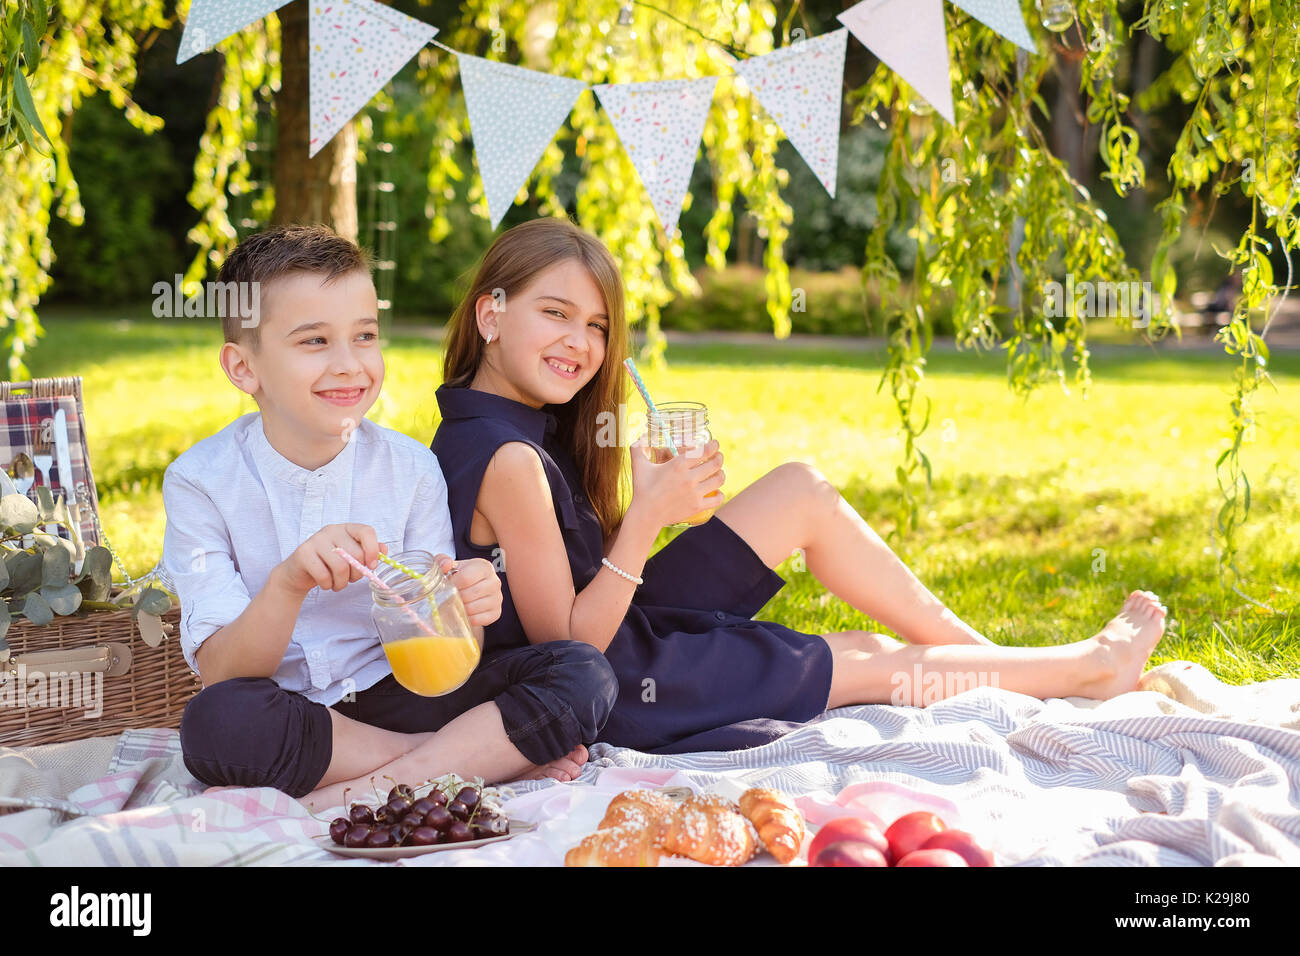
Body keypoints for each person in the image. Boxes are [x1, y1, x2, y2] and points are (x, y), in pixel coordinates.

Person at [430, 216, 1169, 754]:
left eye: (596, 324)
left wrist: (648, 502)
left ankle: (1011, 669)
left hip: (620, 624)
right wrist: (651, 515)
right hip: (618, 684)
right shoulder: (508, 458)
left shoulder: (507, 424)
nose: (581, 343)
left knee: (799, 490)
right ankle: (1085, 669)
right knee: (863, 659)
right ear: (490, 313)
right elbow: (572, 648)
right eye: (554, 314)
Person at [161, 224, 616, 808]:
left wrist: (467, 610)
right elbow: (223, 668)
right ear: (244, 368)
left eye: (365, 336)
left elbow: (446, 652)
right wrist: (289, 581)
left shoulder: (411, 468)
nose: (350, 365)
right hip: (293, 713)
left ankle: (358, 793)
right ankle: (454, 760)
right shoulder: (200, 480)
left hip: (399, 692)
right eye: (314, 342)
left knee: (583, 674)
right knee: (214, 722)